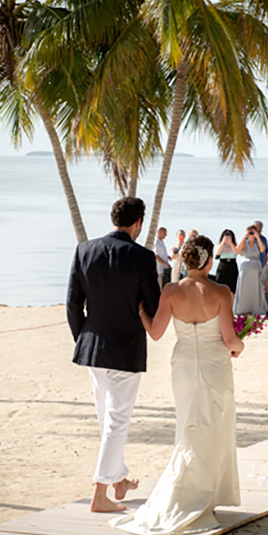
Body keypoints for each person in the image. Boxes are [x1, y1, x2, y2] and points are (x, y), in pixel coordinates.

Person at [112, 236, 243, 535]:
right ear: (209, 260)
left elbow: (156, 333)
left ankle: (190, 490)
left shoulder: (171, 291)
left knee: (188, 425)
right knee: (215, 426)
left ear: (185, 260)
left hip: (184, 365)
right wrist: (240, 346)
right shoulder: (222, 292)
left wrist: (142, 312)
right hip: (215, 366)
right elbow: (229, 339)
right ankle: (206, 497)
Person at [66, 197, 160, 513]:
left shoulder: (84, 250)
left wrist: (84, 339)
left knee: (107, 418)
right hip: (126, 348)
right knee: (117, 421)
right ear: (138, 223)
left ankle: (119, 479)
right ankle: (100, 493)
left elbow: (72, 304)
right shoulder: (143, 258)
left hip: (92, 347)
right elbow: (154, 306)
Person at [233, 226, 267, 315]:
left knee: (255, 288)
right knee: (244, 288)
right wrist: (245, 236)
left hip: (255, 267)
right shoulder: (244, 243)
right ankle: (243, 308)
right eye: (250, 232)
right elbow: (237, 251)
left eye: (253, 232)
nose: (251, 234)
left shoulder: (258, 242)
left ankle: (254, 308)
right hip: (245, 268)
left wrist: (257, 237)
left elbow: (263, 249)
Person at [215, 229, 239, 293]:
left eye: (229, 235)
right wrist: (223, 242)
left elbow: (236, 252)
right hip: (223, 265)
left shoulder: (234, 245)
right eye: (226, 234)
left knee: (233, 286)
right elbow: (217, 253)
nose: (227, 236)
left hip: (232, 265)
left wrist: (231, 242)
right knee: (221, 285)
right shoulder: (221, 245)